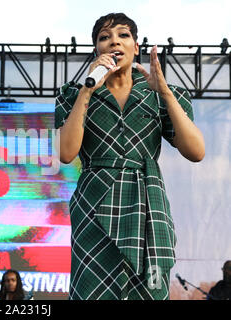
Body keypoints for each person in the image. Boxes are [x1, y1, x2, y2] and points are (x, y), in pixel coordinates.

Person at [55, 13, 205, 300]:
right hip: (94, 205)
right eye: (104, 37)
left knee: (150, 290)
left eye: (123, 35)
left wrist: (164, 93)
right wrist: (87, 90)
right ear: (96, 50)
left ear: (136, 47)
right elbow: (65, 153)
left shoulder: (161, 93)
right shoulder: (74, 93)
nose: (114, 41)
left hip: (147, 204)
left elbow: (196, 151)